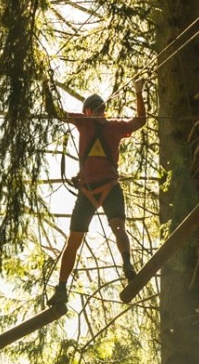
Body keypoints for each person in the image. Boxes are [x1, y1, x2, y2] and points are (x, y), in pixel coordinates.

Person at [51, 81, 147, 309]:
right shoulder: (115, 126)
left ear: (87, 110)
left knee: (73, 242)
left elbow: (53, 111)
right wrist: (138, 92)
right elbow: (140, 121)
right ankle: (127, 264)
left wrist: (47, 87)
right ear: (104, 110)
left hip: (88, 193)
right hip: (110, 188)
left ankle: (62, 288)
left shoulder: (83, 122)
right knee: (118, 228)